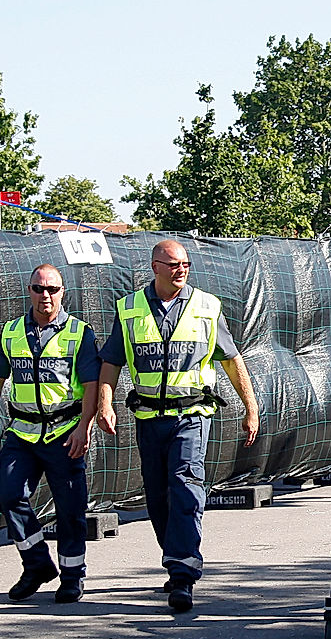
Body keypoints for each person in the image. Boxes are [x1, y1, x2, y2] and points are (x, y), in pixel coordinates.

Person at [96, 240, 260, 613]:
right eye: (172, 265)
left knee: (186, 484)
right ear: (155, 266)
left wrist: (251, 408)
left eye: (185, 264)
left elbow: (233, 361)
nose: (181, 270)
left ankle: (184, 571)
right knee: (158, 496)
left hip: (192, 415)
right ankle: (175, 559)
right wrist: (105, 403)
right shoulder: (130, 309)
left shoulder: (206, 307)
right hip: (149, 417)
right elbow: (111, 362)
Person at [0, 264, 100, 603]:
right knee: (9, 496)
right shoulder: (12, 331)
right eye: (39, 288)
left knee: (70, 509)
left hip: (65, 432)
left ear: (62, 292)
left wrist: (85, 428)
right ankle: (37, 565)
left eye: (53, 289)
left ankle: (72, 577)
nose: (46, 295)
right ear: (28, 291)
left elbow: (92, 385)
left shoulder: (79, 332)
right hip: (23, 433)